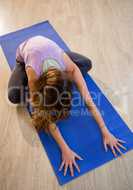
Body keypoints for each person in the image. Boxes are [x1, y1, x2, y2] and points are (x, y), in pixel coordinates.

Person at [8, 35, 126, 177]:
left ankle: (61, 65)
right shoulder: (33, 75)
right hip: (26, 58)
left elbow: (89, 101)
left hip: (54, 53)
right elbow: (44, 116)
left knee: (86, 64)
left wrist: (105, 131)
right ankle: (21, 69)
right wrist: (65, 149)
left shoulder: (65, 65)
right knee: (14, 96)